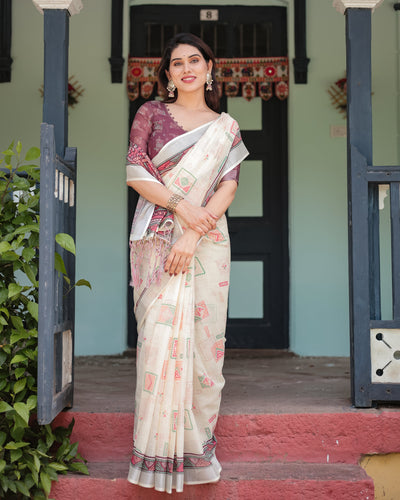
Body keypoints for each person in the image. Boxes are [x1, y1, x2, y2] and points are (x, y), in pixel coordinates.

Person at [126, 33, 249, 493]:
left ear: (209, 67)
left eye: (194, 60)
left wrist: (195, 232)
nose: (186, 68)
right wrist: (182, 209)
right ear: (167, 75)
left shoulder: (226, 128)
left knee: (203, 345)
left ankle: (197, 452)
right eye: (176, 63)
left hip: (208, 240)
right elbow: (135, 168)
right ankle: (155, 452)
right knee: (158, 342)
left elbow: (229, 187)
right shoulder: (151, 113)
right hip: (159, 237)